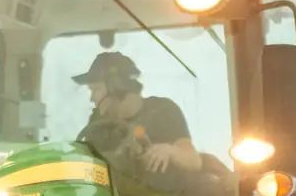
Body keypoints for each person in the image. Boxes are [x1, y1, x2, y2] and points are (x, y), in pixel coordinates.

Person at [73, 51, 202, 180]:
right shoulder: (98, 124)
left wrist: (170, 151)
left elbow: (193, 161)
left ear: (116, 85)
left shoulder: (162, 110)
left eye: (96, 90)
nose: (91, 98)